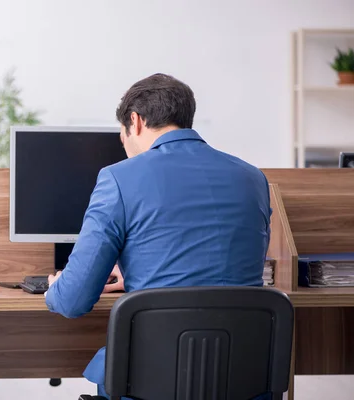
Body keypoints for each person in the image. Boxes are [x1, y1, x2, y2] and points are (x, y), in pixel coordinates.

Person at [44, 73, 272, 399]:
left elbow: (73, 301)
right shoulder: (253, 178)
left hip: (151, 381)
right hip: (243, 376)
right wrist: (138, 269)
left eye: (122, 137)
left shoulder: (118, 178)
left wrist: (55, 289)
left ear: (135, 122)